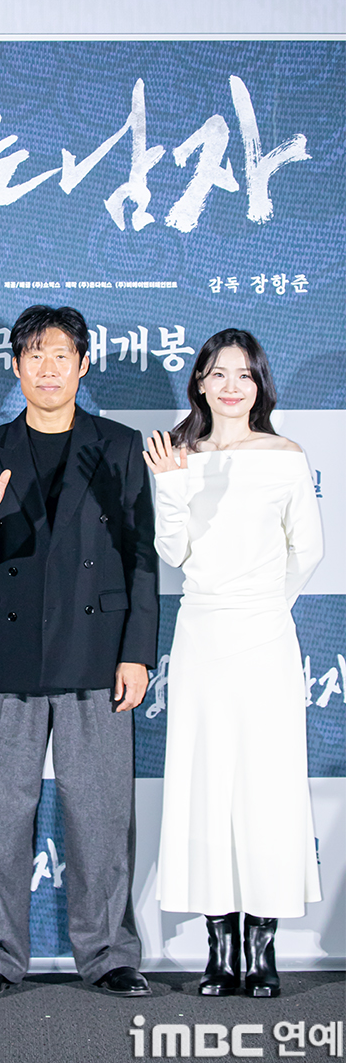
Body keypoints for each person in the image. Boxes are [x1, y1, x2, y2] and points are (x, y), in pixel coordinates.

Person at [0, 304, 159, 998]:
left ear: (83, 364)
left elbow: (142, 556)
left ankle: (109, 954)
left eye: (61, 354)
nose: (47, 368)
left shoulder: (120, 446)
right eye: (34, 355)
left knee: (100, 815)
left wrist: (138, 653)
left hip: (97, 653)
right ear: (15, 366)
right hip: (10, 655)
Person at [144, 328, 323, 998]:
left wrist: (264, 608)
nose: (230, 386)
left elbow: (307, 550)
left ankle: (263, 948)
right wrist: (170, 487)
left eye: (244, 374)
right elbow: (174, 551)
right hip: (202, 634)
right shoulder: (178, 455)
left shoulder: (285, 456)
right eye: (218, 373)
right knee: (206, 784)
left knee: (267, 787)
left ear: (260, 386)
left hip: (267, 636)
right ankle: (220, 948)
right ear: (199, 381)